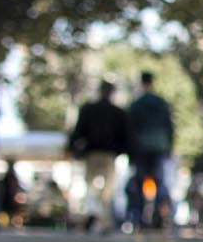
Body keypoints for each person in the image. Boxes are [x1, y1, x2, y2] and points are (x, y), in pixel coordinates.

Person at [67, 80, 131, 232]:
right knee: (106, 189)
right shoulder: (116, 112)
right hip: (106, 154)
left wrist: (72, 148)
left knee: (93, 187)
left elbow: (78, 131)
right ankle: (101, 218)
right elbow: (126, 136)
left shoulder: (91, 109)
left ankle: (96, 214)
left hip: (96, 153)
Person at [125, 71, 175, 230]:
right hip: (159, 145)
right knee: (159, 181)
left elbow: (130, 128)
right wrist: (169, 146)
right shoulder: (161, 103)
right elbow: (169, 126)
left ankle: (139, 218)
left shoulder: (137, 104)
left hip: (141, 146)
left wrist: (130, 151)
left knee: (140, 182)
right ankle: (160, 215)